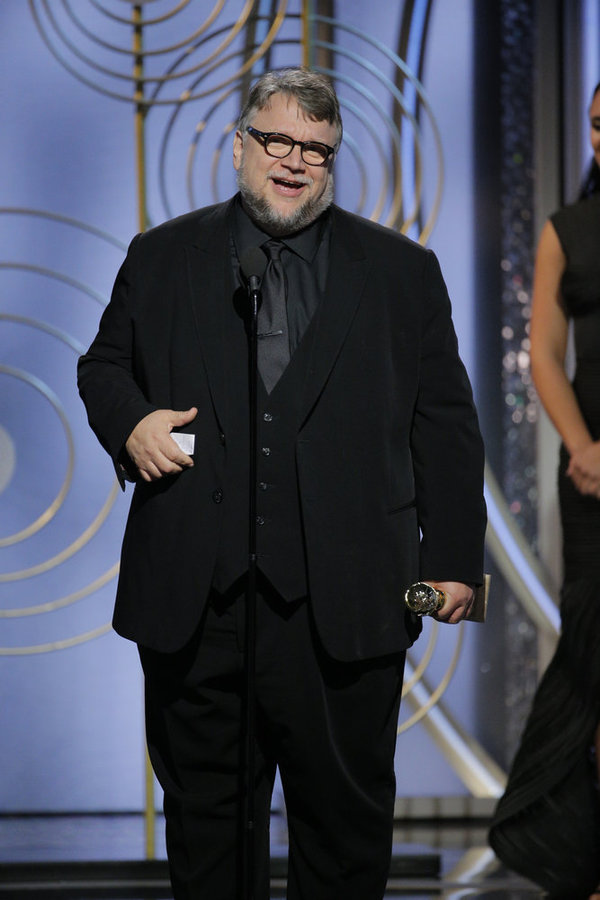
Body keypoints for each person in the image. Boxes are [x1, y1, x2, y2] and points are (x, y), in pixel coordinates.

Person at [78, 67, 486, 900]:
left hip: (349, 605)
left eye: (317, 150)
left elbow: (444, 426)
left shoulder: (403, 272)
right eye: (278, 141)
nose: (295, 161)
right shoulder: (162, 256)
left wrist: (449, 562)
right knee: (207, 844)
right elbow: (104, 366)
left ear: (332, 162)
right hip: (199, 605)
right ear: (240, 147)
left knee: (343, 842)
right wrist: (132, 424)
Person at [489, 82, 600, 899]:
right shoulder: (569, 228)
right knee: (596, 664)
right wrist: (583, 446)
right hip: (597, 478)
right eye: (599, 122)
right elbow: (541, 352)